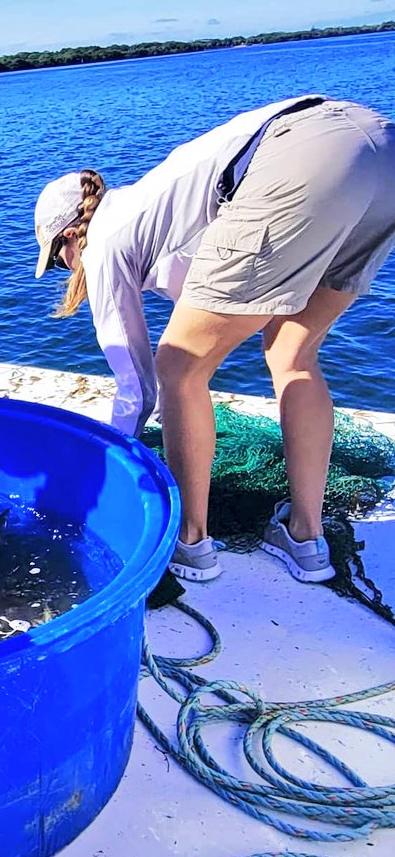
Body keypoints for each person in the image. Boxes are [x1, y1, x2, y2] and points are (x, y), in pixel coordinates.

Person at [32, 96, 395, 584]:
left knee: (179, 367)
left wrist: (112, 467)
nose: (67, 271)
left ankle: (190, 544)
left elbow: (138, 386)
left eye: (59, 260)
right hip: (380, 153)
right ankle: (305, 539)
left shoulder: (104, 244)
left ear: (73, 234)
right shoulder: (148, 206)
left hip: (298, 153)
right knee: (292, 354)